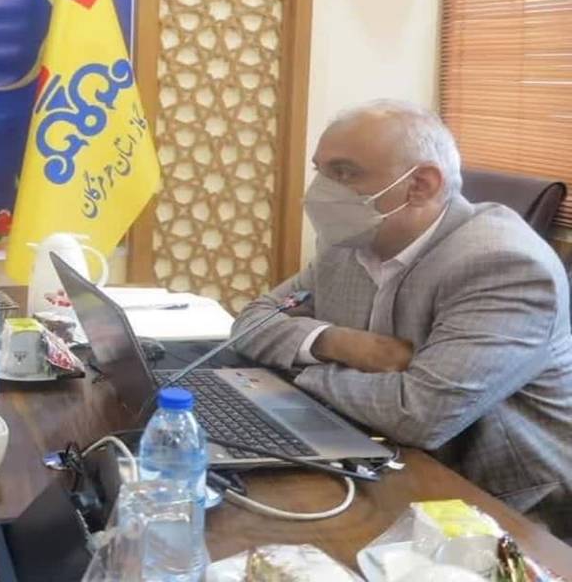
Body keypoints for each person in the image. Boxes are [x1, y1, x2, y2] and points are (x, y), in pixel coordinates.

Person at [232, 100, 572, 538]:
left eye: (344, 173)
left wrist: (295, 375)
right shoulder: (348, 243)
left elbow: (418, 414)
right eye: (321, 171)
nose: (319, 190)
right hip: (378, 452)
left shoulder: (503, 265)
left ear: (420, 185)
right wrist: (335, 342)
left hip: (507, 505)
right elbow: (252, 322)